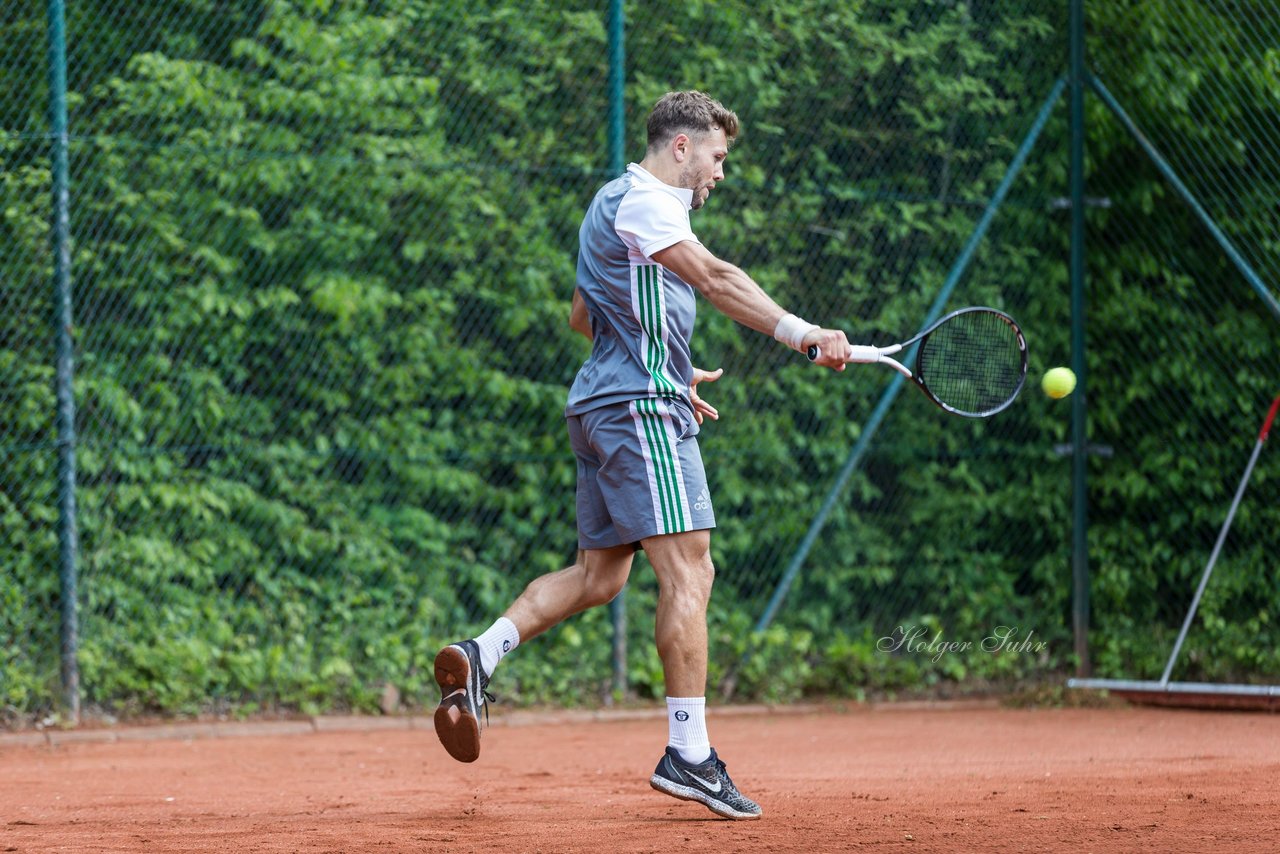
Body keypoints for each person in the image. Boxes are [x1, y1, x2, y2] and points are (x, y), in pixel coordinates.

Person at [432, 90, 850, 821]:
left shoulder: (611, 203)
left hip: (601, 405)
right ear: (682, 147)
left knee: (600, 577)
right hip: (635, 409)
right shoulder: (653, 201)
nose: (721, 173)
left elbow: (582, 315)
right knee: (690, 568)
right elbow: (718, 280)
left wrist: (664, 362)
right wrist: (805, 334)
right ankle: (689, 756)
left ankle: (481, 652)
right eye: (718, 157)